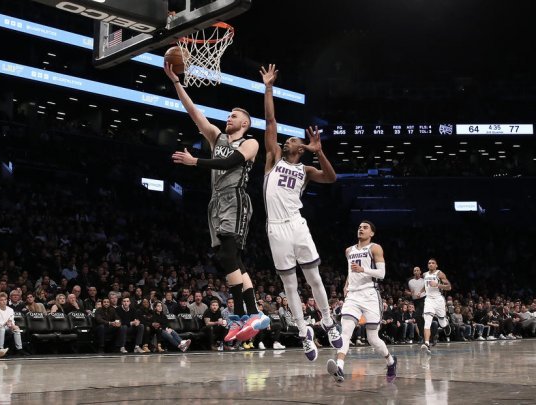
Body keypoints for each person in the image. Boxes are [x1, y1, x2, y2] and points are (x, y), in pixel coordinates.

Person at [166, 62, 269, 341]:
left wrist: (194, 161)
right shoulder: (216, 136)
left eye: (233, 115)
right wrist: (177, 82)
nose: (229, 117)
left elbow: (230, 161)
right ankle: (254, 315)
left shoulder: (250, 143)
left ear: (244, 123)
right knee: (232, 259)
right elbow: (194, 112)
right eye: (229, 114)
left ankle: (242, 317)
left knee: (227, 256)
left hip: (235, 198)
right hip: (216, 202)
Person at [260, 64, 341, 361]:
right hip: (275, 226)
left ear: (301, 148)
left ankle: (328, 322)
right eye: (289, 139)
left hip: (296, 223)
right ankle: (303, 331)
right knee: (289, 284)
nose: (288, 140)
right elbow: (270, 120)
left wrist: (319, 151)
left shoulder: (306, 169)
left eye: (293, 140)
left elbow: (331, 178)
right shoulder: (273, 159)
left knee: (314, 278)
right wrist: (268, 86)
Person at [326, 221, 397, 383]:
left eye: (365, 227)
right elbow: (350, 270)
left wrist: (363, 269)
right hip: (353, 296)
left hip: (370, 295)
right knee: (346, 332)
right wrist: (346, 285)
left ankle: (390, 361)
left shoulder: (375, 248)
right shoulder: (348, 250)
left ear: (371, 233)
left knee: (373, 338)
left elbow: (382, 273)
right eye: (359, 227)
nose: (361, 229)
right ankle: (340, 367)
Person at [420, 258, 452, 353]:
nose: (430, 264)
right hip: (429, 300)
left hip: (438, 300)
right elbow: (425, 285)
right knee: (427, 321)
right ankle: (426, 343)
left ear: (436, 265)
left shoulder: (440, 274)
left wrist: (437, 284)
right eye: (429, 263)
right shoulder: (425, 274)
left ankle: (446, 325)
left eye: (433, 263)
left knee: (441, 322)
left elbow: (449, 287)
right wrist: (421, 292)